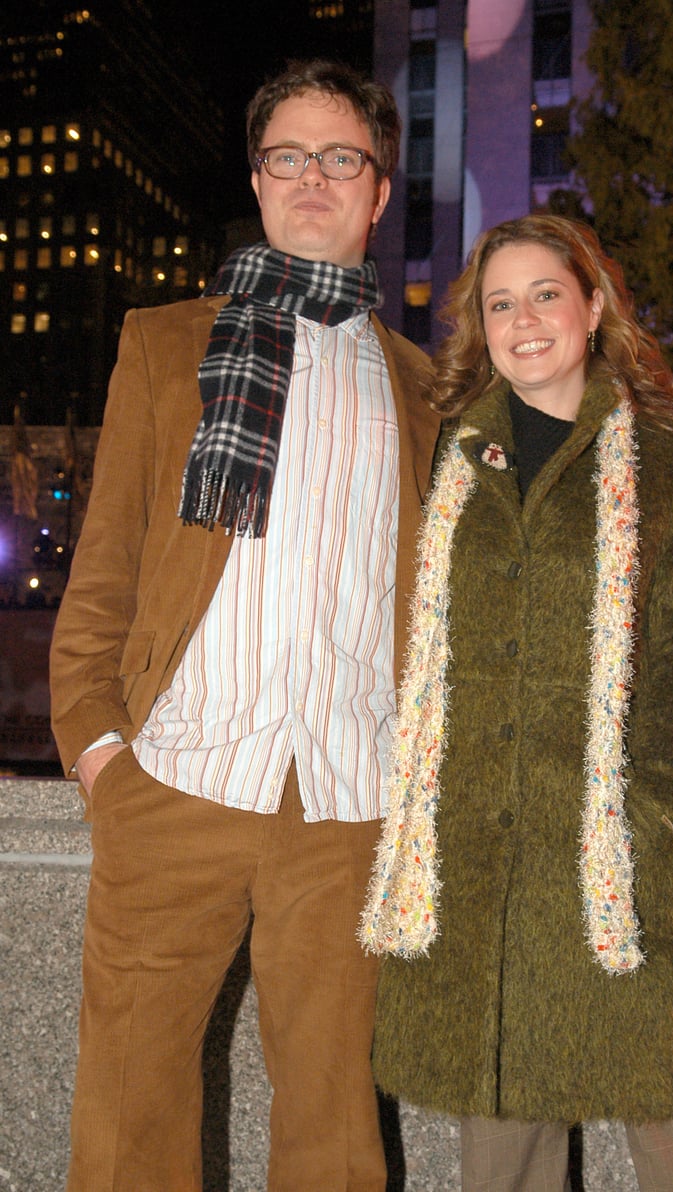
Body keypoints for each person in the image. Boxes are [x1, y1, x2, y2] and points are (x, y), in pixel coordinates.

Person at [49, 59, 439, 1191]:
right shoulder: (166, 342)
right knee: (128, 1116)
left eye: (341, 158)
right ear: (258, 180)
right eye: (288, 156)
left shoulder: (425, 388)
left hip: (349, 804)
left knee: (335, 1132)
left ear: (377, 191)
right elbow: (106, 571)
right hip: (172, 780)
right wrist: (101, 755)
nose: (312, 177)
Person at [361, 214, 673, 1190]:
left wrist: (658, 805)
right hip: (488, 860)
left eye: (546, 292)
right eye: (499, 303)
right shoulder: (451, 455)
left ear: (593, 305)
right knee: (506, 1162)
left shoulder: (671, 455)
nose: (524, 319)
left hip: (617, 859)